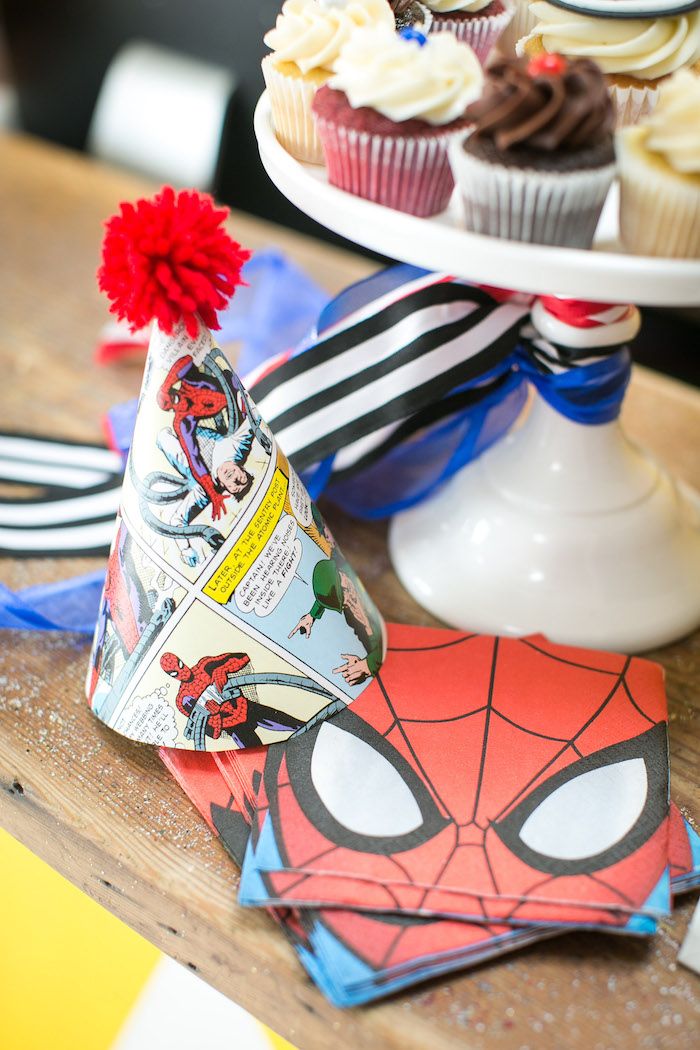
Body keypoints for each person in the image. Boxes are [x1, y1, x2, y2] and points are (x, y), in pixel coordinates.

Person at [160, 650, 304, 747]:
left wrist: (222, 669)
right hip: (232, 726)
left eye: (181, 666)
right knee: (263, 757)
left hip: (246, 707)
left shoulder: (204, 666)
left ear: (182, 661)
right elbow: (210, 732)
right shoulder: (183, 699)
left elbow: (242, 657)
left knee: (299, 726)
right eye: (175, 673)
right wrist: (215, 715)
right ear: (170, 676)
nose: (183, 673)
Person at [288, 556, 383, 686]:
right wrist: (311, 616)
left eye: (345, 589)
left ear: (341, 573)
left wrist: (368, 665)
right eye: (343, 603)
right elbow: (330, 594)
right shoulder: (351, 614)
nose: (349, 599)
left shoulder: (349, 569)